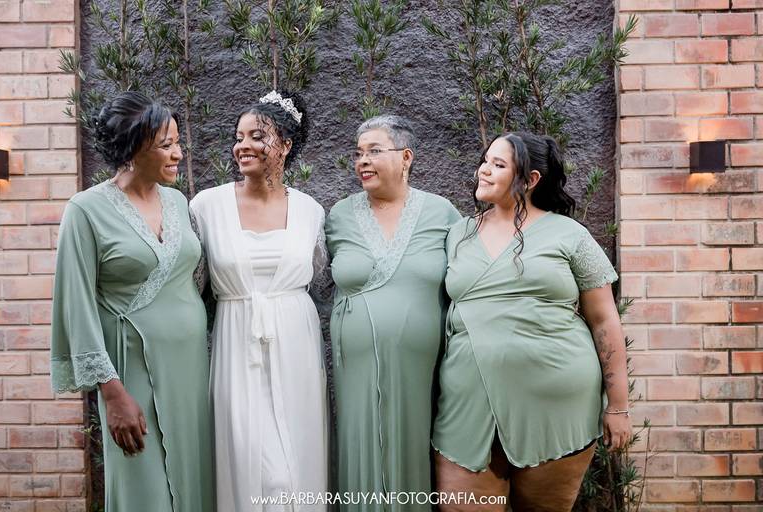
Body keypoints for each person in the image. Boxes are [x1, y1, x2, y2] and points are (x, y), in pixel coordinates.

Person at [432, 132, 632, 512]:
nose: (484, 170)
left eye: (498, 165)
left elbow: (604, 320)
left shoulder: (570, 235)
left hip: (557, 408)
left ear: (531, 179)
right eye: (485, 160)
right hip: (466, 404)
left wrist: (618, 406)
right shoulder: (458, 234)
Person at [50, 91, 214, 512]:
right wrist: (112, 394)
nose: (178, 154)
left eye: (177, 142)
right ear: (133, 148)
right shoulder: (85, 211)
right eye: (166, 145)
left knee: (194, 478)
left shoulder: (177, 202)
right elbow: (76, 304)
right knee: (145, 485)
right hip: (130, 373)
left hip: (190, 371)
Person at [190, 91, 328, 511]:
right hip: (237, 339)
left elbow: (319, 277)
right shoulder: (206, 207)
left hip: (296, 342)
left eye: (257, 136)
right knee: (247, 454)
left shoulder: (310, 210)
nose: (243, 146)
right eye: (238, 137)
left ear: (285, 145)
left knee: (294, 463)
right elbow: (192, 285)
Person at [326, 114, 461, 510]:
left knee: (414, 448)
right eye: (358, 154)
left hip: (420, 371)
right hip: (355, 368)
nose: (362, 161)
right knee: (359, 450)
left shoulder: (442, 214)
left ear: (406, 157)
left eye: (374, 151)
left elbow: (466, 282)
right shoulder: (339, 215)